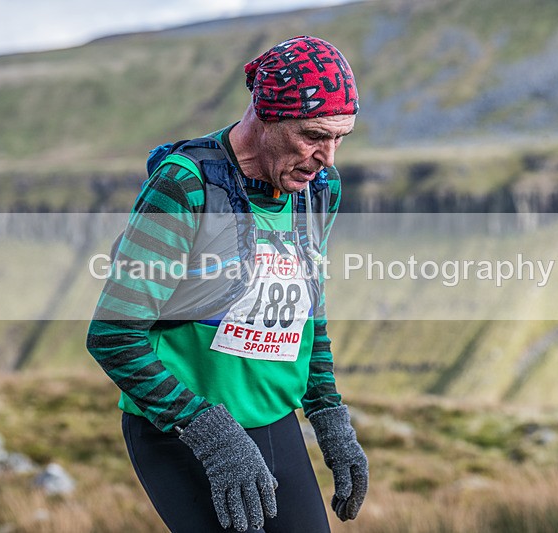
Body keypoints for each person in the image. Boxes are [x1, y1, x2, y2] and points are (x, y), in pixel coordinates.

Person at [86, 35, 368, 533]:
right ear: (264, 116)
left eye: (340, 137)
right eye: (313, 135)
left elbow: (307, 312)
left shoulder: (318, 189)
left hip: (273, 419)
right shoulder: (186, 184)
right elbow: (113, 336)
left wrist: (329, 416)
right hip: (184, 431)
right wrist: (211, 435)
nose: (327, 155)